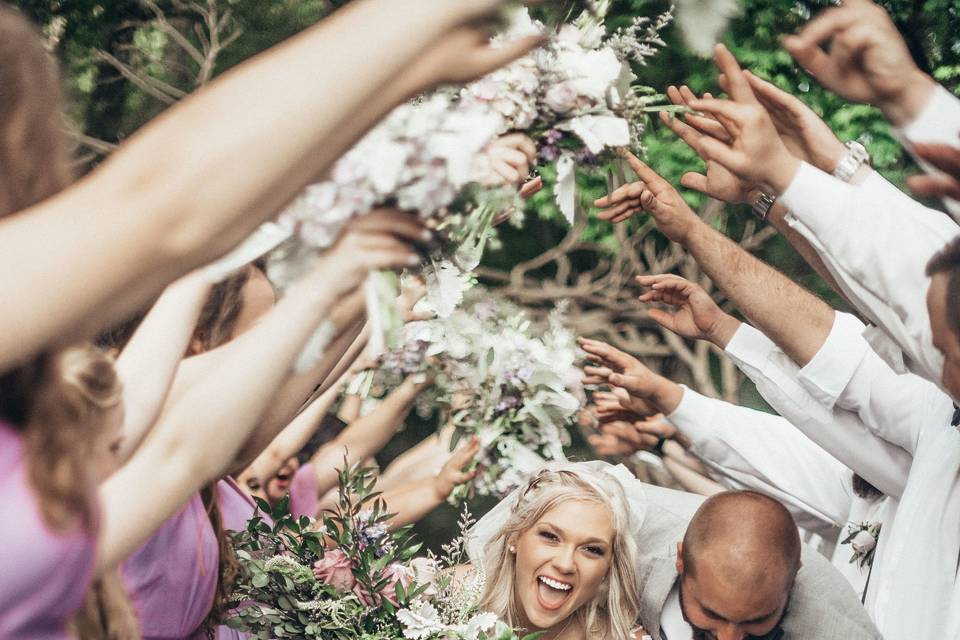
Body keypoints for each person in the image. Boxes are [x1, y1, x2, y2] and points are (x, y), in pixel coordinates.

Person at [465, 462, 645, 640]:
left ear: (608, 567)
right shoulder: (449, 594)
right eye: (550, 537)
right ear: (515, 535)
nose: (565, 564)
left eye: (592, 549)